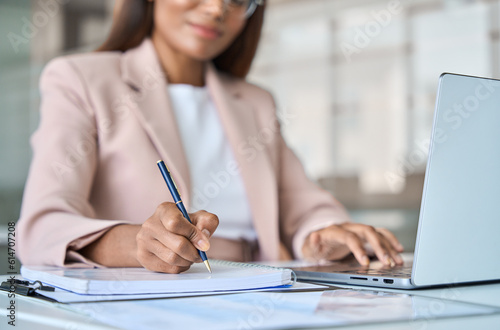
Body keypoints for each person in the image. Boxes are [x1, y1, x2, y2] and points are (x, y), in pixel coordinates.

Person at [17, 0, 404, 274]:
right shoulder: (81, 79)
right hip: (145, 301)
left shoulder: (255, 101)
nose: (217, 8)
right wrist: (137, 243)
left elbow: (302, 203)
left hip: (259, 291)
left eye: (238, 0)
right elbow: (40, 229)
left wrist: (324, 233)